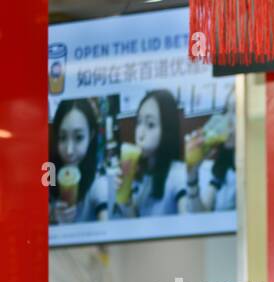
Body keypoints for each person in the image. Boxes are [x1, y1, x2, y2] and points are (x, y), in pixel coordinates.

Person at [109, 89, 190, 218]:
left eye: (150, 125)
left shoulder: (177, 175)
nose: (140, 134)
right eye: (139, 122)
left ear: (167, 130)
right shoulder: (137, 172)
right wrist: (126, 198)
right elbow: (134, 225)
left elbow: (191, 224)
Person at [48, 98, 110, 224]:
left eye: (79, 137)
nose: (69, 151)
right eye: (62, 137)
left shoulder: (98, 179)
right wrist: (52, 216)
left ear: (91, 135)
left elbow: (105, 221)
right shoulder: (48, 170)